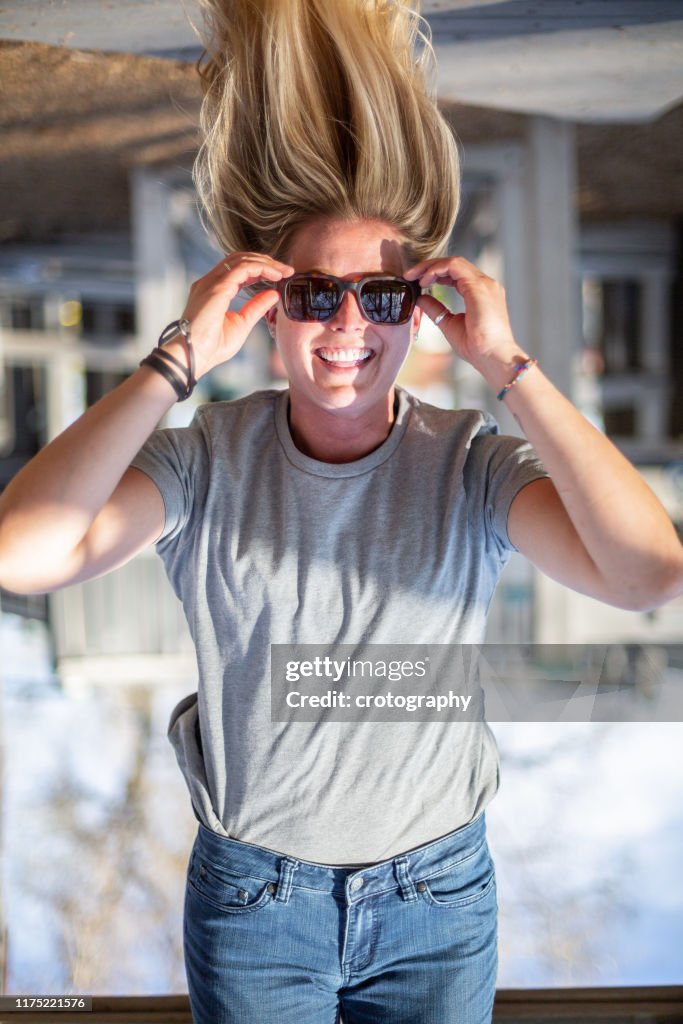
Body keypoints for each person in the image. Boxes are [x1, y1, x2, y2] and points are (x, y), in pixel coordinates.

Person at [0, 1, 681, 1021]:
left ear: (422, 313)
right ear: (270, 309)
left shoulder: (471, 464)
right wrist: (177, 357)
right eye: (316, 296)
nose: (349, 325)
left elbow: (646, 573)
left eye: (385, 298)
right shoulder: (201, 465)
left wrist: (507, 365)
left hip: (434, 899)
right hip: (255, 904)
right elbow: (21, 554)